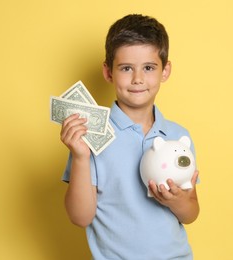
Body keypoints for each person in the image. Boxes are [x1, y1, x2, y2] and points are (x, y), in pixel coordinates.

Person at [60, 14, 200, 259]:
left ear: (165, 71)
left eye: (149, 68)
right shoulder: (91, 136)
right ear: (108, 72)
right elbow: (80, 217)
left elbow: (190, 214)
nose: (137, 79)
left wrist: (176, 201)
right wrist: (80, 157)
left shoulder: (179, 136)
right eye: (126, 68)